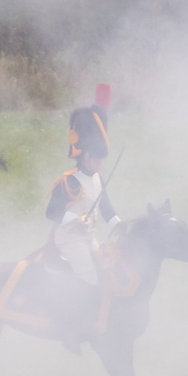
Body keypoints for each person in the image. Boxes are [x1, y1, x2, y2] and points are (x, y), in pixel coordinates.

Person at [44, 88, 118, 287]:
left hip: (88, 240)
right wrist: (77, 219)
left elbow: (106, 208)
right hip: (69, 241)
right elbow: (52, 212)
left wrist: (118, 224)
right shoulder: (68, 181)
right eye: (97, 159)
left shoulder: (98, 179)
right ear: (86, 155)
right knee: (89, 278)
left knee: (108, 269)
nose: (100, 164)